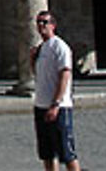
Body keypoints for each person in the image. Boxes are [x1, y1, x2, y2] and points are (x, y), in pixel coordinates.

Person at [30, 10, 82, 171]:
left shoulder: (60, 47)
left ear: (53, 25)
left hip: (59, 107)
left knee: (66, 152)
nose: (41, 25)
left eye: (44, 22)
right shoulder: (41, 48)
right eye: (38, 22)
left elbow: (65, 74)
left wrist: (56, 103)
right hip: (41, 104)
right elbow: (38, 75)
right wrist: (32, 59)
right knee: (47, 152)